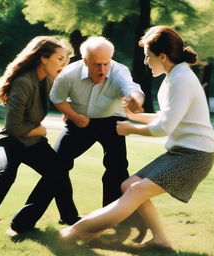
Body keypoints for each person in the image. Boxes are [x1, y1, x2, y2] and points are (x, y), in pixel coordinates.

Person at [59, 26, 214, 250]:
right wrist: (135, 116)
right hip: (181, 152)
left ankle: (77, 231)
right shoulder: (174, 76)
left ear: (162, 56)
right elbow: (167, 116)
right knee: (129, 185)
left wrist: (130, 128)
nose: (146, 61)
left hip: (194, 156)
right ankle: (161, 240)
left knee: (135, 190)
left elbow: (165, 126)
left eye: (148, 56)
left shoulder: (181, 79)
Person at [0, 36, 73, 255]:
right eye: (59, 58)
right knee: (4, 176)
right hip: (10, 143)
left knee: (58, 171)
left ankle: (24, 223)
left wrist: (69, 112)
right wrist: (40, 130)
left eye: (65, 59)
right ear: (43, 58)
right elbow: (13, 126)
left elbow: (65, 95)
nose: (63, 64)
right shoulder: (24, 81)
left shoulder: (48, 79)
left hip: (33, 144)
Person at [50, 36, 145, 225]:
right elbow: (57, 98)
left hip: (112, 121)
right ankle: (67, 216)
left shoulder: (119, 71)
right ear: (85, 61)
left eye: (105, 63)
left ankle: (112, 217)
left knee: (117, 168)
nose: (102, 69)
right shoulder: (69, 73)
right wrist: (74, 116)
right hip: (79, 121)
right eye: (96, 64)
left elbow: (131, 88)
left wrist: (136, 101)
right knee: (56, 165)